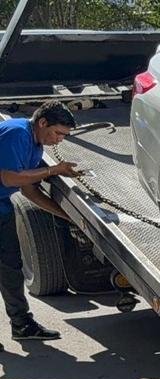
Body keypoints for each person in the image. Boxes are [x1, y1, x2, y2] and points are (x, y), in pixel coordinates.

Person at [0, 100, 81, 350]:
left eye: (64, 136)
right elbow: (9, 177)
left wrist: (68, 216)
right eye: (57, 133)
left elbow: (29, 191)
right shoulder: (18, 133)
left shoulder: (35, 144)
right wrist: (54, 170)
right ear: (42, 122)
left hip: (1, 206)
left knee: (11, 267)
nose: (59, 140)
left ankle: (22, 325)